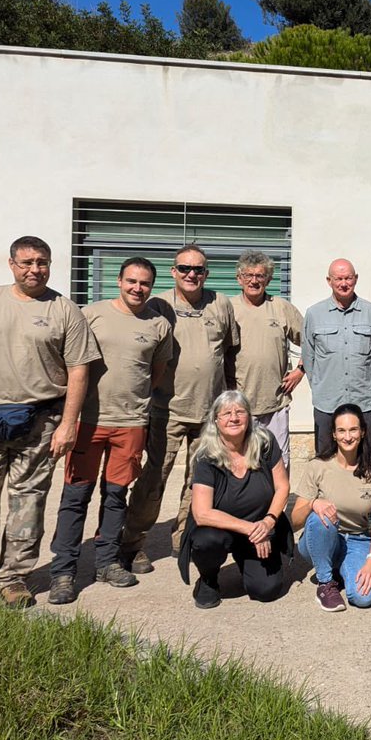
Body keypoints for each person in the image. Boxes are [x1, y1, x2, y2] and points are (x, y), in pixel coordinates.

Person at [0, 236, 100, 611]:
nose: (35, 269)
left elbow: (79, 370)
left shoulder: (65, 310)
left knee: (28, 503)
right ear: (12, 264)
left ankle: (13, 578)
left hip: (41, 424)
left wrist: (68, 424)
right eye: (27, 262)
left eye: (42, 262)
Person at [48, 257, 173, 605]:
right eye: (131, 281)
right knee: (75, 497)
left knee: (116, 496)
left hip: (131, 424)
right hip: (88, 421)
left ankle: (106, 562)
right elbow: (69, 363)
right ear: (119, 281)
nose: (137, 288)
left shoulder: (159, 325)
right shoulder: (91, 315)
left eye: (144, 283)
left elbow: (156, 373)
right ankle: (63, 571)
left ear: (152, 286)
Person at [121, 244, 239, 574]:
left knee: (199, 481)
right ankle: (132, 543)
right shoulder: (158, 305)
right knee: (153, 479)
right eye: (184, 268)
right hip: (166, 410)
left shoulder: (221, 303)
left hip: (210, 413)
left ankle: (184, 536)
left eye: (198, 269)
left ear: (206, 273)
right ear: (173, 271)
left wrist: (231, 398)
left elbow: (229, 354)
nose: (191, 274)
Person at [177, 390, 293, 609]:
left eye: (240, 412)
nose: (234, 418)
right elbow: (202, 513)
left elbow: (283, 487)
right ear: (216, 420)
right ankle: (208, 579)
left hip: (260, 525)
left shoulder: (265, 442)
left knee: (266, 590)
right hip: (221, 530)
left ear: (248, 416)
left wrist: (268, 522)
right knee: (206, 541)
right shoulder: (206, 455)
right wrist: (251, 529)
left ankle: (247, 561)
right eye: (226, 413)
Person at [292, 403, 371, 611]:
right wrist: (313, 503)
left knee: (364, 598)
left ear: (362, 432)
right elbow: (295, 520)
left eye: (353, 430)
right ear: (334, 434)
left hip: (358, 539)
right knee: (320, 517)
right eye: (341, 431)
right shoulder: (318, 466)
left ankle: (339, 569)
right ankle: (325, 583)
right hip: (322, 538)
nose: (347, 437)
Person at [302, 258, 371, 453]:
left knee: (365, 458)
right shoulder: (314, 314)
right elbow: (309, 356)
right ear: (329, 281)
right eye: (338, 279)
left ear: (356, 279)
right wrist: (320, 385)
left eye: (348, 278)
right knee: (325, 458)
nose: (343, 283)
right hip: (327, 402)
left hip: (363, 401)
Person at [230, 250, 304, 467]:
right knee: (240, 462)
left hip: (275, 403)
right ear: (239, 278)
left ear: (268, 280)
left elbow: (312, 341)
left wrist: (300, 371)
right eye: (248, 275)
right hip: (238, 404)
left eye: (260, 276)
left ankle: (277, 492)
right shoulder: (227, 308)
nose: (254, 281)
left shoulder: (281, 308)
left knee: (279, 462)